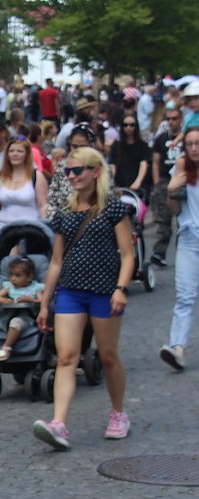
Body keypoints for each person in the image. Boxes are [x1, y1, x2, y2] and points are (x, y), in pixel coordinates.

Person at [32, 147, 133, 451]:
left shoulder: (113, 209)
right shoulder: (65, 213)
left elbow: (127, 255)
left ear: (95, 172)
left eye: (78, 171)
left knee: (107, 356)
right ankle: (59, 423)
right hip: (71, 293)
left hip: (104, 292)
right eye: (68, 172)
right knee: (66, 357)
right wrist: (44, 302)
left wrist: (121, 288)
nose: (72, 176)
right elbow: (56, 262)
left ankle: (118, 413)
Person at [159, 126, 199, 370]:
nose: (194, 148)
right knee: (185, 295)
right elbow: (174, 211)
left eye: (198, 143)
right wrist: (172, 190)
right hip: (189, 237)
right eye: (190, 144)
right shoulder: (182, 169)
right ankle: (177, 348)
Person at [0, 136, 47, 237]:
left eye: (19, 151)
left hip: (30, 230)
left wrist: (45, 231)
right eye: (11, 151)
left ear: (26, 154)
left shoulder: (37, 177)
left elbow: (42, 206)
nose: (15, 154)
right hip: (4, 230)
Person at [0, 257, 44, 361]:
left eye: (17, 275)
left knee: (15, 322)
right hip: (5, 317)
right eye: (11, 275)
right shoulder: (9, 287)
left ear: (29, 277)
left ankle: (6, 347)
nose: (13, 278)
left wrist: (30, 300)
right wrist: (4, 300)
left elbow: (42, 301)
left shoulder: (35, 288)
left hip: (24, 318)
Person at [150, 106, 183, 266]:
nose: (171, 122)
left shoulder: (187, 138)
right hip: (164, 180)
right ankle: (159, 252)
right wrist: (156, 182)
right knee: (163, 220)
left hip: (182, 179)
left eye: (175, 118)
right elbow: (155, 162)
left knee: (184, 220)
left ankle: (183, 252)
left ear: (181, 119)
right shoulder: (161, 138)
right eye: (169, 119)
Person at [108, 113, 151, 196]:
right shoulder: (116, 145)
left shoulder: (143, 145)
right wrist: (111, 181)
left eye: (132, 125)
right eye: (125, 125)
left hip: (138, 187)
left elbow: (144, 163)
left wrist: (138, 181)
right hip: (120, 185)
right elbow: (113, 165)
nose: (128, 128)